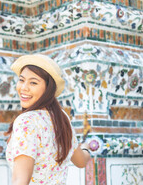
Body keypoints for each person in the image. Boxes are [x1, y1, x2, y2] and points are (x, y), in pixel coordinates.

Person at [6, 54, 91, 185]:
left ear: (48, 88)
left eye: (33, 82)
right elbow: (81, 161)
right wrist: (86, 148)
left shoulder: (27, 121)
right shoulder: (62, 118)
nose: (23, 87)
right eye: (21, 80)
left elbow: (20, 180)